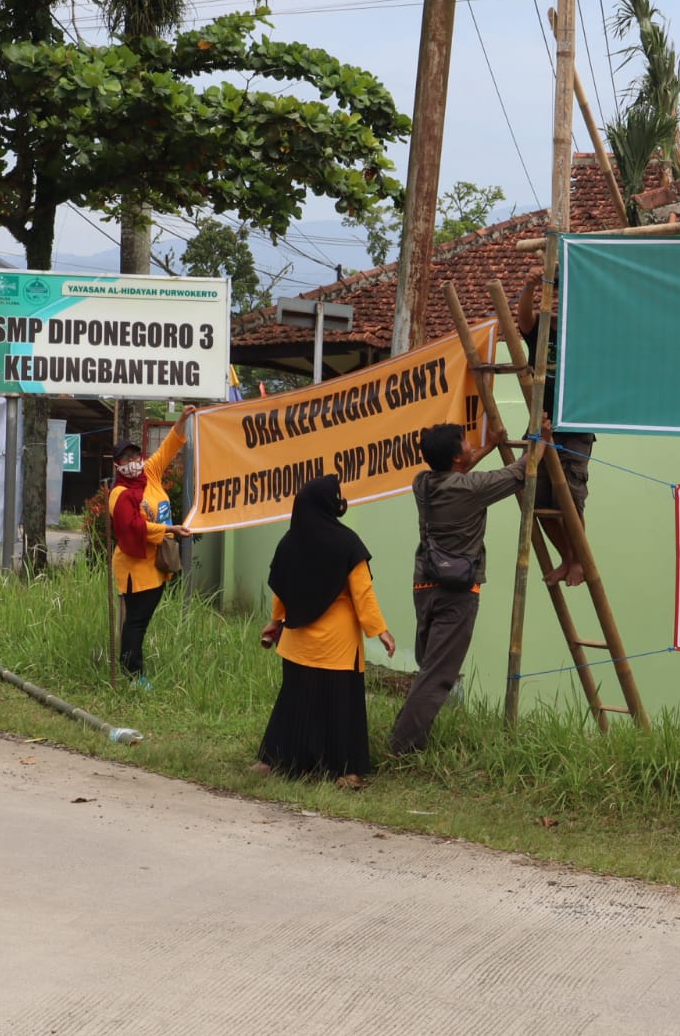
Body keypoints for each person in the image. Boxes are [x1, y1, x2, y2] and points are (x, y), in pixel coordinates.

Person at [388, 421, 539, 757]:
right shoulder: (472, 488)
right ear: (457, 457)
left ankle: (405, 736)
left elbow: (459, 471)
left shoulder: (422, 484)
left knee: (430, 667)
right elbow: (521, 470)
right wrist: (541, 438)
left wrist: (487, 447)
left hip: (425, 585)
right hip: (457, 593)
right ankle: (403, 747)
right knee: (439, 674)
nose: (472, 445)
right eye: (466, 443)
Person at [256, 474, 396, 788]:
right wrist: (380, 630)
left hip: (297, 642)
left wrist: (276, 620)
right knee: (341, 706)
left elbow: (282, 588)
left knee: (293, 702)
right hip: (338, 645)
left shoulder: (289, 541)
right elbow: (362, 593)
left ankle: (272, 762)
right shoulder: (348, 542)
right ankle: (347, 772)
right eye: (337, 495)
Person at [516, 266, 597, 587]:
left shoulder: (585, 331)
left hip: (575, 425)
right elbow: (523, 320)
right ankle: (567, 557)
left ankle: (580, 561)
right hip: (542, 422)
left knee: (570, 499)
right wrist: (529, 286)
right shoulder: (543, 328)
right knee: (536, 498)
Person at [108, 409, 195, 688]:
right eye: (126, 459)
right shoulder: (119, 494)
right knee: (136, 622)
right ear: (117, 465)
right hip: (136, 567)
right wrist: (170, 529)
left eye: (135, 456)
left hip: (155, 565)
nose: (133, 462)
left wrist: (181, 420)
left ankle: (130, 671)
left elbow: (168, 448)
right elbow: (133, 528)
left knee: (138, 621)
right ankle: (133, 676)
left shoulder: (150, 476)